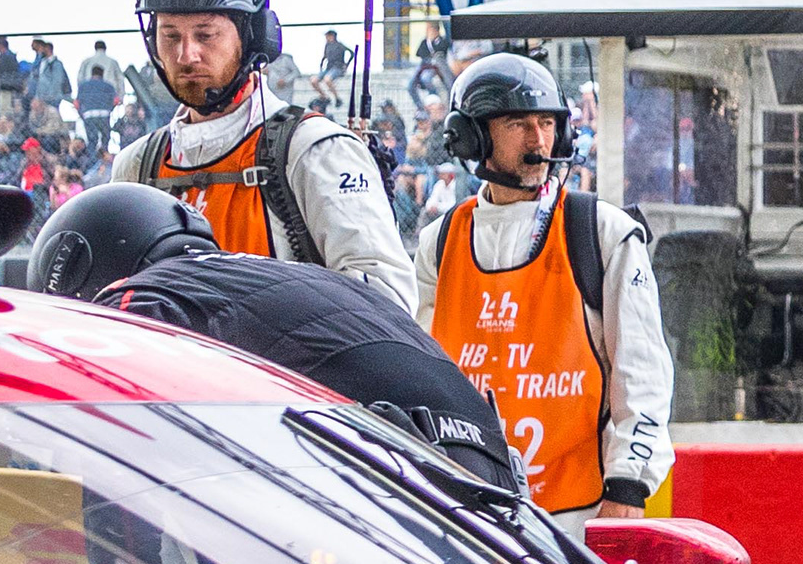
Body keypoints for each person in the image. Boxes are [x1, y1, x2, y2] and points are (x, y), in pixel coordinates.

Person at [30, 183, 521, 495]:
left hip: (392, 465)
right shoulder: (290, 277)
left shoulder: (145, 293)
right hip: (492, 465)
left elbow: (118, 449)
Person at [414, 51, 672, 521]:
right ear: (472, 136)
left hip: (582, 517)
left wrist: (628, 488)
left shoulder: (601, 231)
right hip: (469, 515)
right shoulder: (438, 243)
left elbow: (643, 372)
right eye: (517, 123)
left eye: (548, 123)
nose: (539, 139)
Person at [107, 0, 417, 312]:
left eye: (206, 35)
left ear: (253, 36)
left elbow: (388, 300)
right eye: (170, 35)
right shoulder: (136, 166)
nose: (186, 54)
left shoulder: (314, 149)